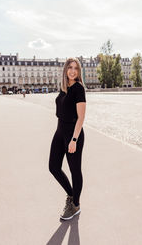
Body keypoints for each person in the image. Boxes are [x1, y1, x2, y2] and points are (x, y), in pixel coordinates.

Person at [49, 57, 86, 221]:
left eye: (76, 68)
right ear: (65, 70)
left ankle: (75, 205)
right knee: (53, 167)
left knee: (75, 171)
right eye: (70, 67)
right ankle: (71, 194)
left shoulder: (78, 89)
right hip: (59, 132)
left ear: (78, 71)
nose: (72, 71)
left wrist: (74, 140)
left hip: (73, 134)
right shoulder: (64, 88)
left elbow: (81, 117)